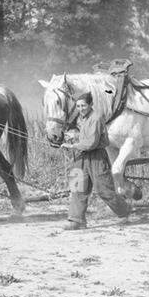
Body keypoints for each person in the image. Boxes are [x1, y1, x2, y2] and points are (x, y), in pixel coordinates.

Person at [62, 91, 132, 230]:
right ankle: (76, 220)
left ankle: (125, 211)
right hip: (81, 157)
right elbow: (84, 139)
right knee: (77, 186)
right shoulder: (81, 118)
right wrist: (73, 137)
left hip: (96, 157)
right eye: (78, 106)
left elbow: (91, 143)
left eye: (83, 106)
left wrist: (72, 145)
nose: (80, 109)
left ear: (91, 104)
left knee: (104, 190)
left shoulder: (96, 117)